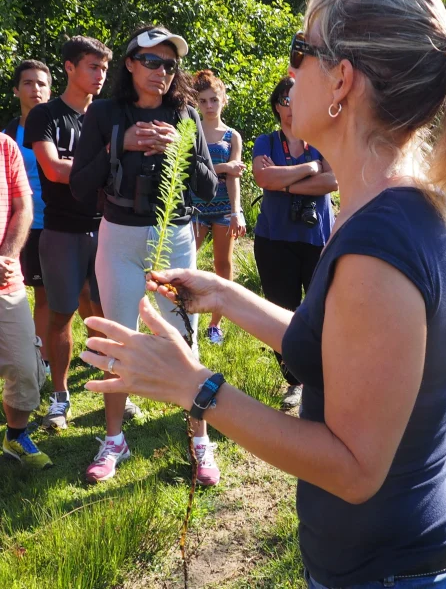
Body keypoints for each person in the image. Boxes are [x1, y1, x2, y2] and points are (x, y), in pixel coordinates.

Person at [80, 0, 446, 589]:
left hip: (390, 574)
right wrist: (227, 295)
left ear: (341, 81)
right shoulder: (409, 207)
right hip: (407, 560)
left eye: (302, 49)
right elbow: (348, 352)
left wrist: (195, 387)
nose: (290, 68)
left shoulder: (378, 247)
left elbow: (353, 469)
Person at [70, 25, 219, 484]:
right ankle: (114, 440)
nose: (161, 72)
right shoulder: (106, 114)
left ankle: (199, 439)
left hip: (173, 240)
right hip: (119, 240)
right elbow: (78, 186)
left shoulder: (186, 116)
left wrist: (184, 152)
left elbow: (208, 188)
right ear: (131, 64)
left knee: (184, 339)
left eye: (169, 65)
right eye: (151, 61)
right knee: (117, 338)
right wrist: (122, 144)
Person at [23, 36, 120, 431]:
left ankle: (116, 390)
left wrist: (83, 168)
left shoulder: (109, 115)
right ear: (69, 67)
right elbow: (52, 170)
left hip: (109, 227)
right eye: (92, 67)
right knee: (61, 316)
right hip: (61, 230)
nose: (100, 76)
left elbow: (112, 171)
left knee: (109, 315)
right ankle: (60, 398)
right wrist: (104, 163)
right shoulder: (45, 116)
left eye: (104, 69)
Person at [252, 76, 337, 408]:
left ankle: (325, 379)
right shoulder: (266, 142)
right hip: (274, 241)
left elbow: (333, 181)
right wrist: (309, 169)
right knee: (281, 313)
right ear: (277, 106)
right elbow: (263, 177)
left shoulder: (323, 141)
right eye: (286, 101)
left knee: (321, 311)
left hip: (317, 241)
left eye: (299, 100)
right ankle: (296, 382)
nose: (293, 108)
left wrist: (284, 183)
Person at [0, 133, 50, 468]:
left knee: (27, 368)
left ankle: (15, 437)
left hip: (6, 280)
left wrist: (7, 255)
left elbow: (23, 207)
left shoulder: (5, 146)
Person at [191, 70, 246, 345]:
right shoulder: (191, 130)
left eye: (214, 99)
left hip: (225, 208)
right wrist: (223, 167)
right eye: (203, 101)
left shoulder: (232, 135)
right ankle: (182, 316)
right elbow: (191, 170)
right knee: (186, 261)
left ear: (224, 100)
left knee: (222, 265)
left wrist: (237, 212)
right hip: (196, 209)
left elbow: (234, 178)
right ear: (197, 103)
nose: (209, 106)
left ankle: (215, 324)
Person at [4, 60, 52, 369]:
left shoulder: (60, 128)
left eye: (41, 84)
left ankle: (46, 357)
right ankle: (29, 357)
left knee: (59, 295)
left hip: (58, 222)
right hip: (20, 227)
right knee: (24, 293)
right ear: (16, 90)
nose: (35, 89)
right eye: (28, 83)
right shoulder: (7, 135)